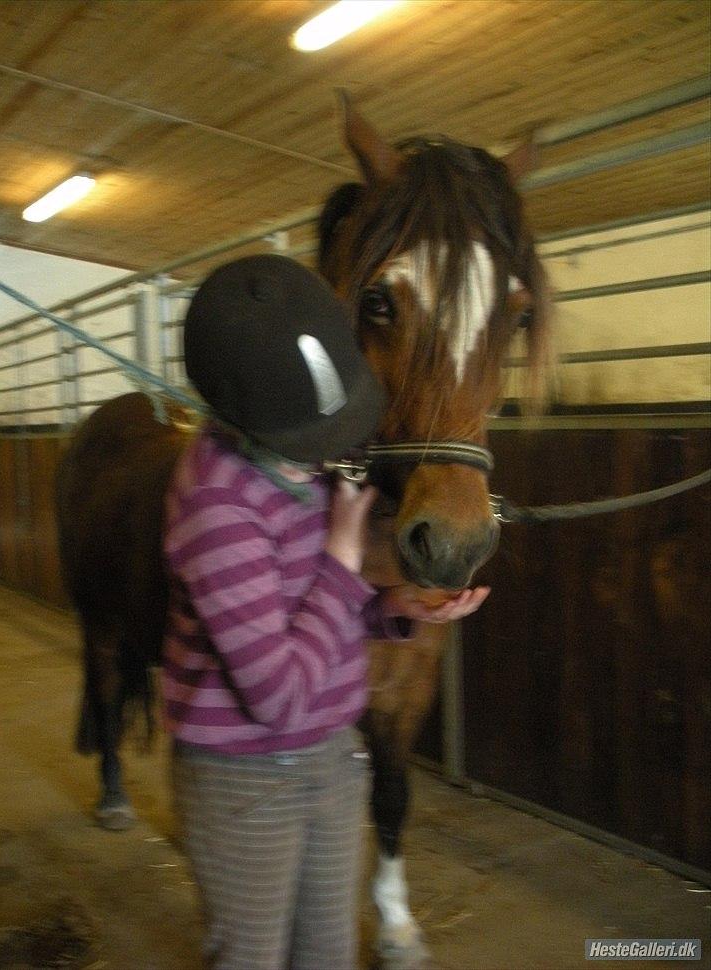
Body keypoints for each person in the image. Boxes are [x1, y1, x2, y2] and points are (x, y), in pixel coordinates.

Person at [161, 254, 489, 970]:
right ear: (238, 419)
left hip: (333, 759)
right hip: (246, 782)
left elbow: (309, 614)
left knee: (329, 954)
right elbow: (277, 695)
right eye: (301, 447)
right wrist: (343, 561)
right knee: (252, 957)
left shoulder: (294, 468)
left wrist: (391, 606)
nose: (317, 463)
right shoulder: (218, 508)